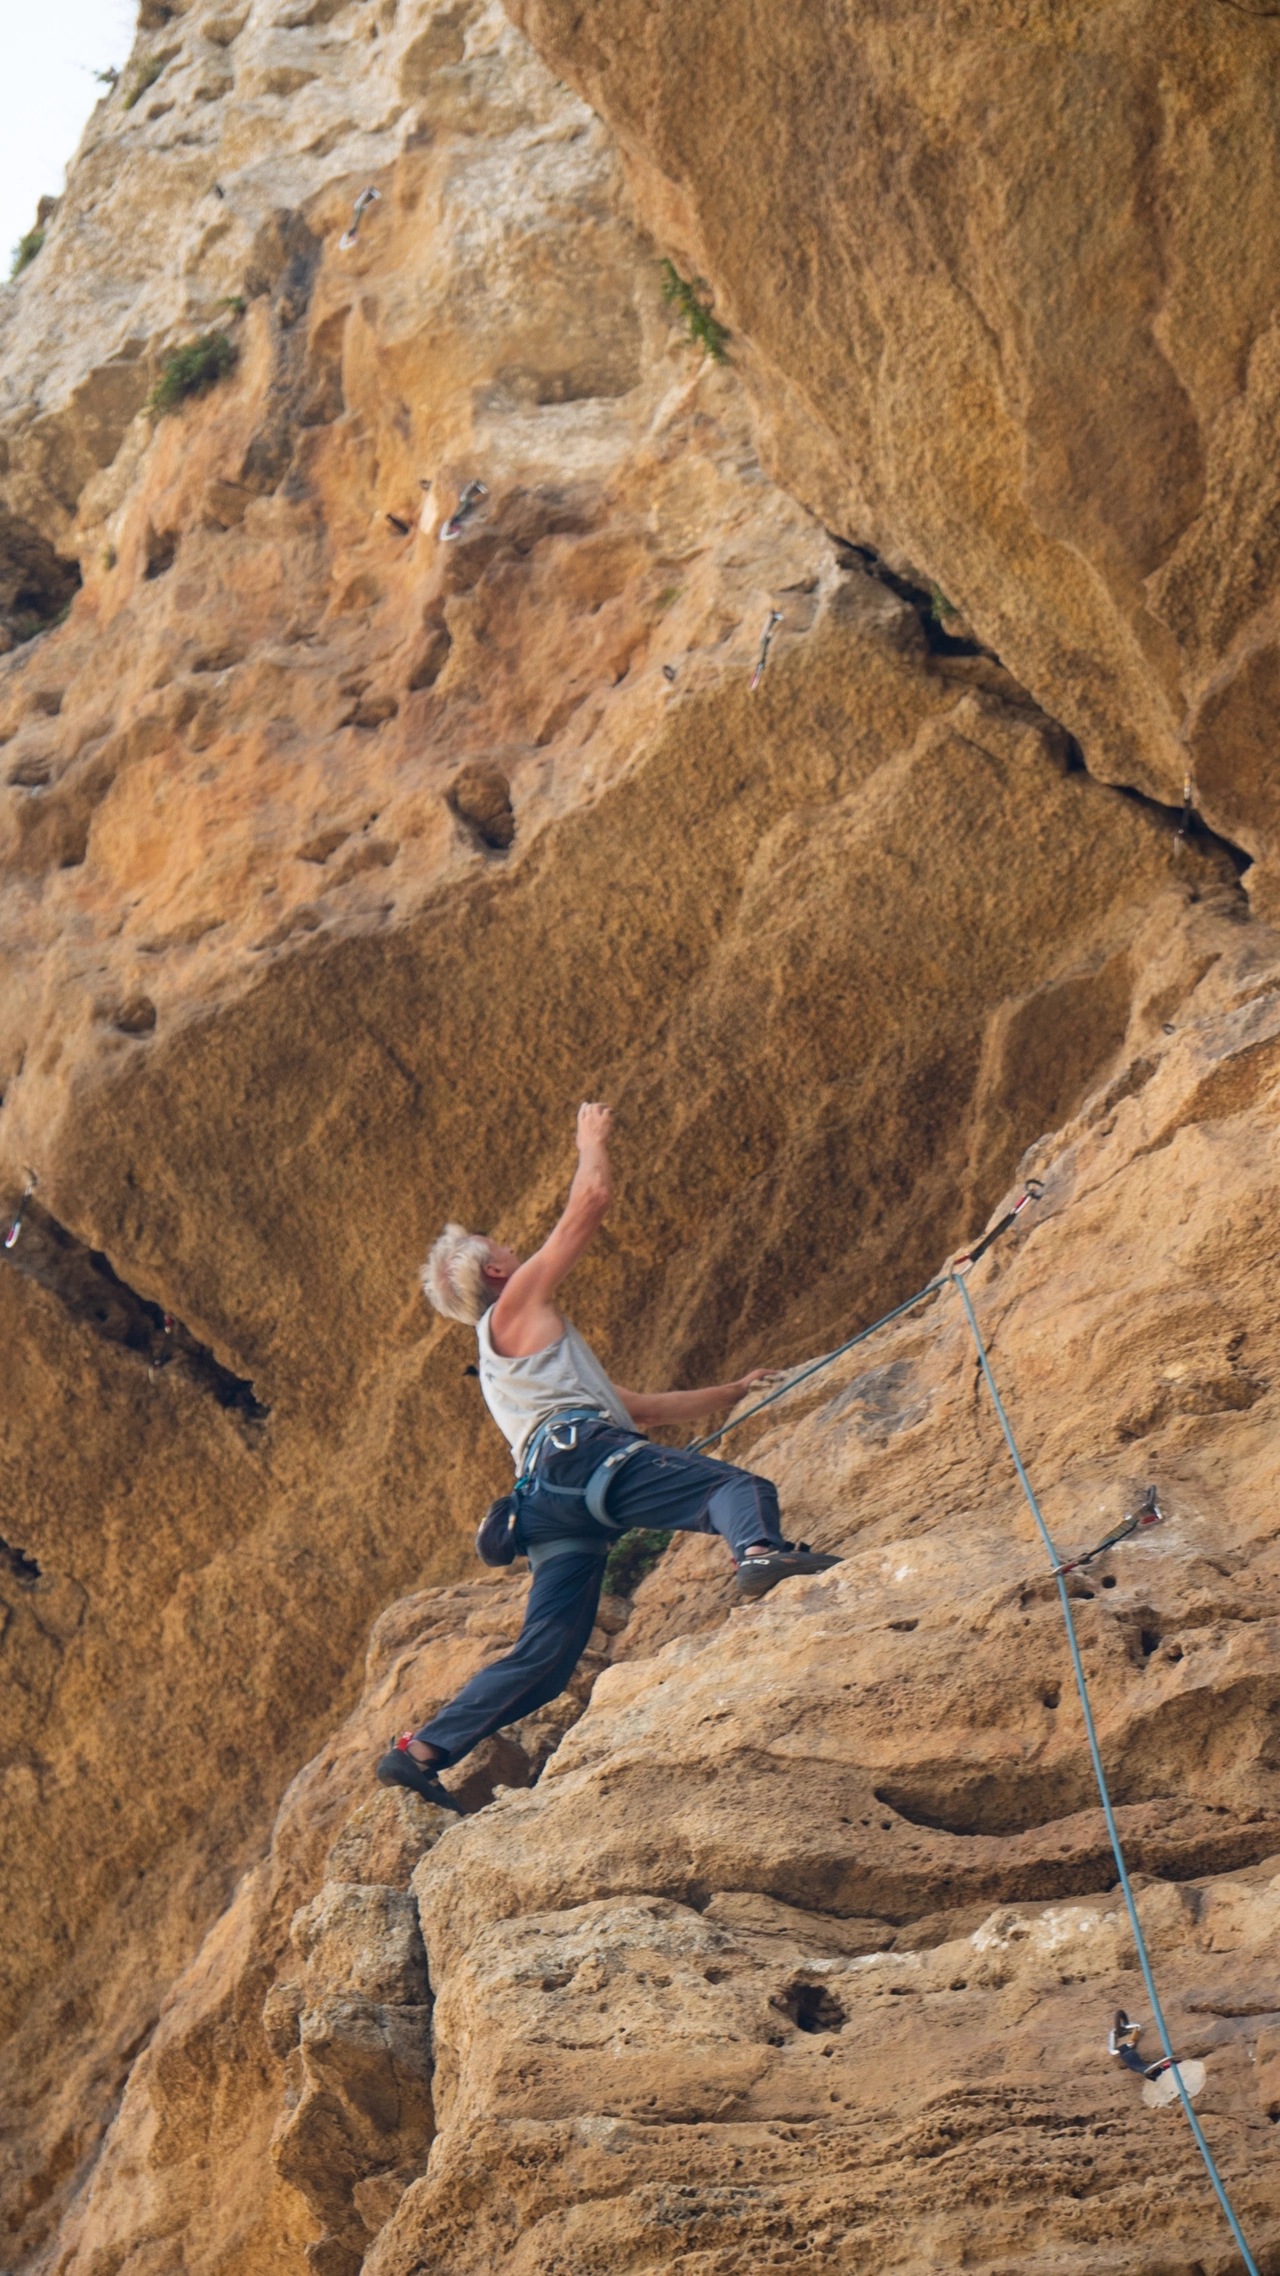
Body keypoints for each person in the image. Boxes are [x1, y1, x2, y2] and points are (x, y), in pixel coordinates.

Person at [376, 1102, 839, 1810]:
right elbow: (589, 1201)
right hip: (582, 1460)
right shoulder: (514, 1307)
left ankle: (422, 1751)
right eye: (503, 1246)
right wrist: (589, 1140)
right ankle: (758, 1555)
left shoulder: (515, 1364)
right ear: (497, 1269)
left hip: (550, 1497)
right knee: (736, 1491)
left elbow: (639, 1410)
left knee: (546, 1658)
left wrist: (734, 1392)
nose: (515, 1248)